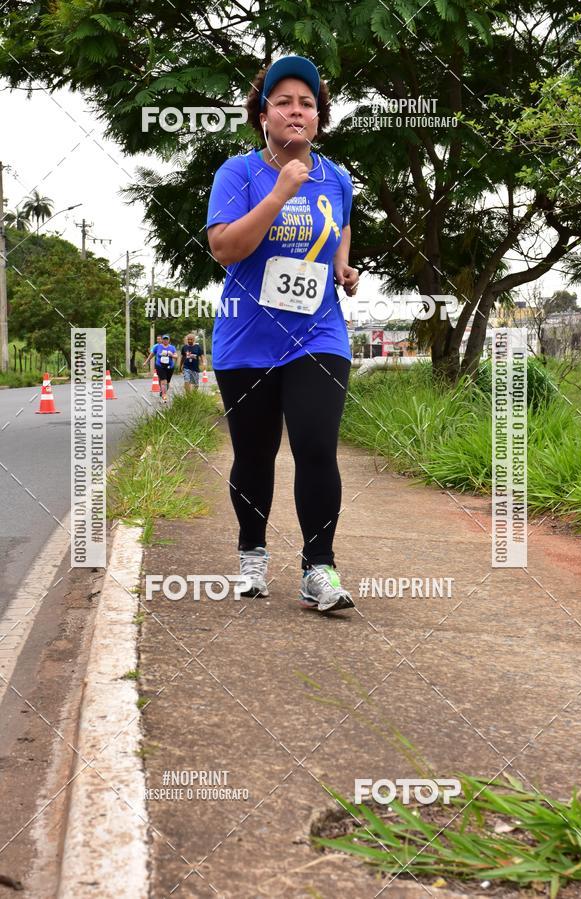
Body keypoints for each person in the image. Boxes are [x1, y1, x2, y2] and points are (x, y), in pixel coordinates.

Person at [207, 55, 359, 613]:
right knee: (255, 454)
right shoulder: (238, 174)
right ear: (263, 115)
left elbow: (341, 223)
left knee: (316, 445)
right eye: (284, 102)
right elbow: (224, 248)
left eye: (307, 103)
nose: (297, 111)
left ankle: (319, 568)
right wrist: (278, 193)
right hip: (246, 339)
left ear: (319, 117)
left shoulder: (336, 177)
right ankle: (252, 552)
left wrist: (341, 265)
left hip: (318, 334)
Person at [144, 334, 177, 403]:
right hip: (160, 366)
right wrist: (146, 362)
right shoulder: (157, 347)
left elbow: (176, 356)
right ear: (162, 340)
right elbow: (151, 355)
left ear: (169, 340)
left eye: (167, 339)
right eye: (164, 339)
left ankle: (163, 392)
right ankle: (164, 397)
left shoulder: (172, 347)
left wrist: (172, 355)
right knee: (163, 381)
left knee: (167, 382)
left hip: (170, 366)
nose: (165, 340)